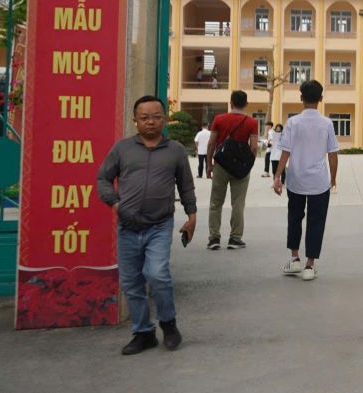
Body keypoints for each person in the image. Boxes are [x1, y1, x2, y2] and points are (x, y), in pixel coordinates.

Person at [96, 95, 197, 355]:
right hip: (128, 227)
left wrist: (192, 215)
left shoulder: (175, 150)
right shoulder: (122, 149)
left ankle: (169, 323)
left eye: (156, 117)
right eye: (145, 118)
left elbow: (185, 185)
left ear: (164, 119)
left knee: (157, 273)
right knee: (131, 283)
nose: (151, 122)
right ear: (135, 120)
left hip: (159, 226)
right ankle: (143, 333)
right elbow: (103, 179)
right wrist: (115, 203)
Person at [273, 80, 338, 281]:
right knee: (316, 222)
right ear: (321, 98)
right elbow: (332, 154)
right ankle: (310, 265)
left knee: (294, 218)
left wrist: (277, 176)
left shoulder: (293, 122)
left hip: (296, 181)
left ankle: (294, 259)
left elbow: (285, 151)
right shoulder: (327, 123)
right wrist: (333, 178)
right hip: (319, 182)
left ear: (300, 98)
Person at [206, 90, 259, 250]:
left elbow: (211, 143)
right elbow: (254, 147)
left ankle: (214, 238)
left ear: (231, 103)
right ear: (246, 104)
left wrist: (209, 164)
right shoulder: (251, 122)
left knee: (216, 202)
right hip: (241, 168)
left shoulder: (219, 119)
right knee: (238, 203)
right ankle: (235, 238)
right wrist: (247, 164)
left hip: (221, 165)